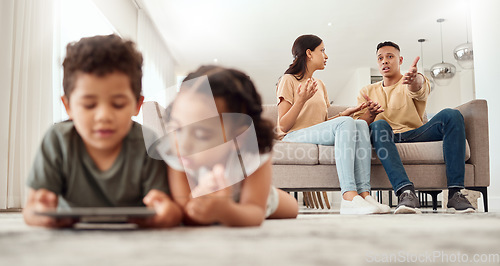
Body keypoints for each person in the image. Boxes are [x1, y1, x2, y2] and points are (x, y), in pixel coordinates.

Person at [22, 34, 183, 228]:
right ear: (68, 106)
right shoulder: (57, 140)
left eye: (118, 104)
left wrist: (164, 212)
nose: (104, 116)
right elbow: (31, 210)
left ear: (137, 105)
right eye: (89, 105)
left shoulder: (147, 141)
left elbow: (168, 209)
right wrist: (41, 211)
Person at [165, 65, 299, 226]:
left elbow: (255, 212)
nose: (183, 144)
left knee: (292, 208)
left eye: (201, 135)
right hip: (206, 200)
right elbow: (184, 211)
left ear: (238, 138)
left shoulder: (252, 156)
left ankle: (268, 193)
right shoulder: (178, 156)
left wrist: (225, 210)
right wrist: (197, 202)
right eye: (176, 129)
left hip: (246, 195)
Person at [353, 41, 475, 214]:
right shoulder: (367, 91)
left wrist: (414, 79)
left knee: (452, 115)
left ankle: (456, 193)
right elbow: (360, 126)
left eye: (390, 57)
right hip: (386, 137)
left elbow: (417, 88)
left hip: (417, 133)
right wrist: (370, 115)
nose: (384, 61)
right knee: (378, 125)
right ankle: (406, 192)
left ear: (400, 60)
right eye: (380, 58)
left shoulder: (411, 79)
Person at [277, 34, 390, 214]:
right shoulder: (288, 80)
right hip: (294, 136)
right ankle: (348, 196)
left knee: (360, 125)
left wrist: (344, 114)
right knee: (345, 123)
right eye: (322, 50)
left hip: (313, 134)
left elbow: (321, 125)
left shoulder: (320, 85)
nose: (326, 56)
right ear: (309, 53)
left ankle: (364, 194)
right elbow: (283, 126)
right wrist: (300, 100)